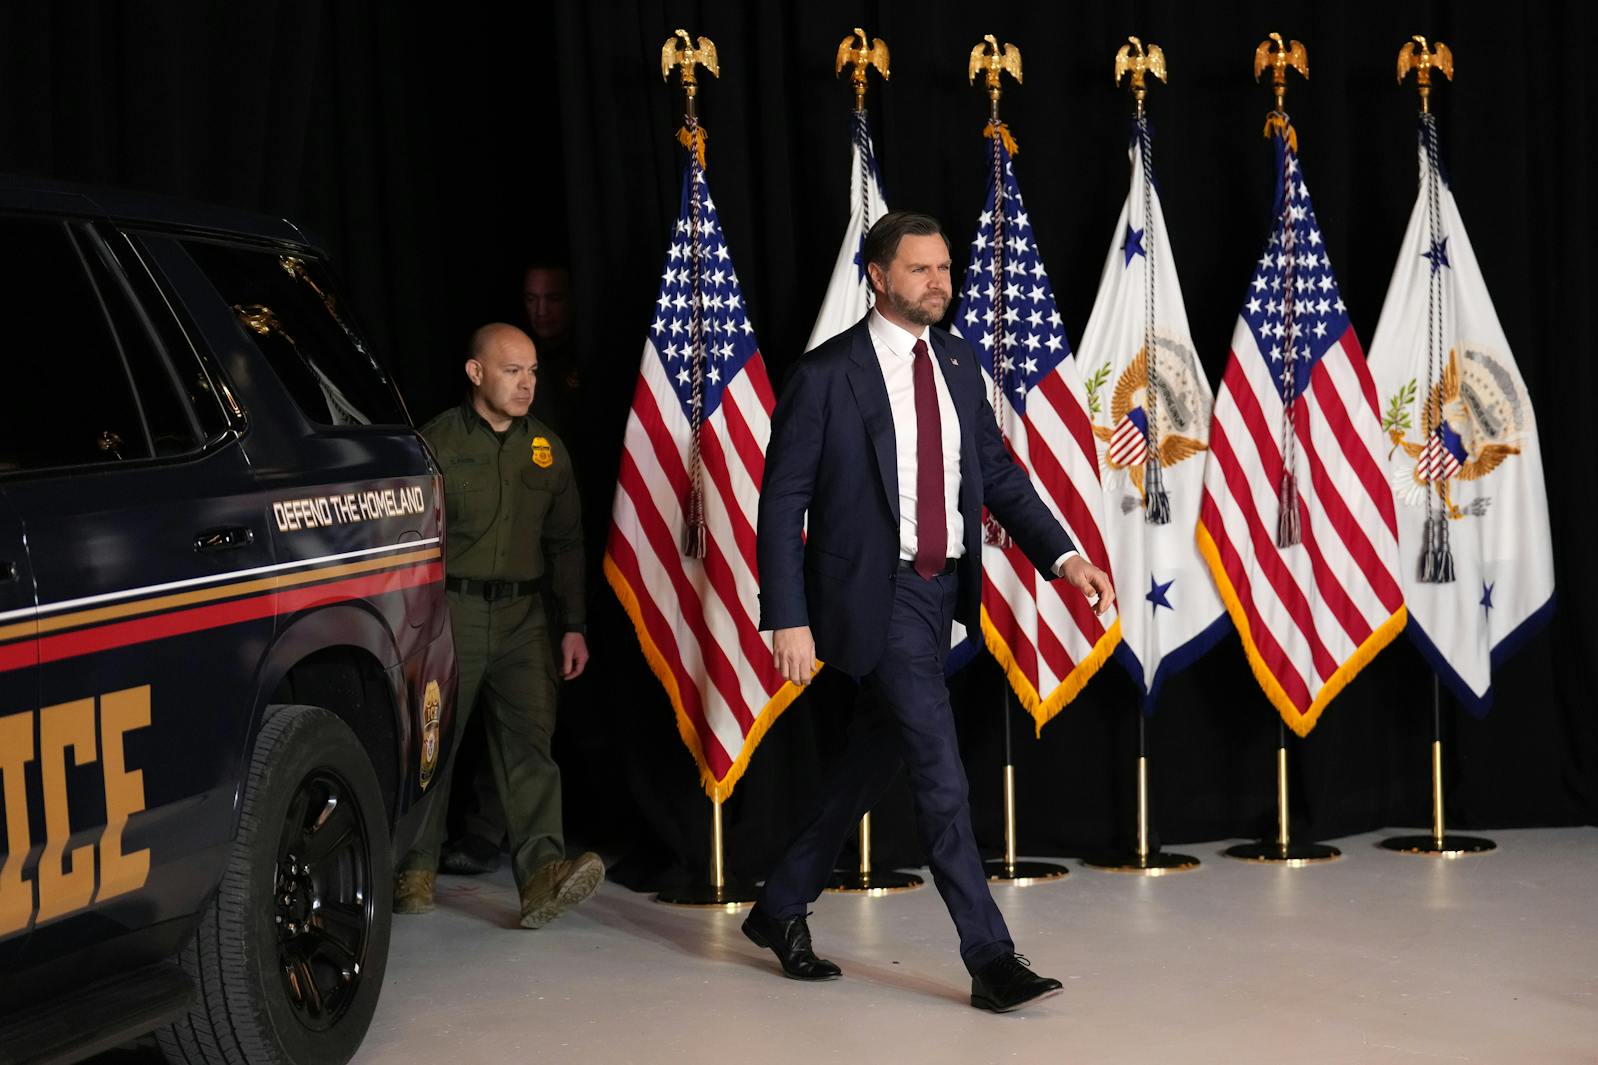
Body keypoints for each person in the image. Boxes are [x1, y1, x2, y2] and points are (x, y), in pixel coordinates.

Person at [748, 211, 1115, 1012]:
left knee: (867, 763)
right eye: (920, 270)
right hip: (870, 598)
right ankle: (990, 957)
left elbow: (999, 474)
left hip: (938, 591)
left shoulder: (955, 360)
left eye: (945, 268)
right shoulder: (826, 375)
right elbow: (782, 505)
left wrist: (1066, 556)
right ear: (878, 276)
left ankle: (778, 908)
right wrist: (788, 615)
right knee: (941, 772)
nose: (938, 283)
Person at [395, 322, 603, 928]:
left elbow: (567, 543)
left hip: (524, 617)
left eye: (534, 371)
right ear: (475, 372)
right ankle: (413, 870)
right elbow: (407, 543)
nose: (527, 383)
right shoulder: (433, 444)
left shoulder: (547, 448)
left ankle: (543, 877)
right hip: (449, 612)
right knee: (434, 744)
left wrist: (574, 624)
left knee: (530, 746)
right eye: (513, 370)